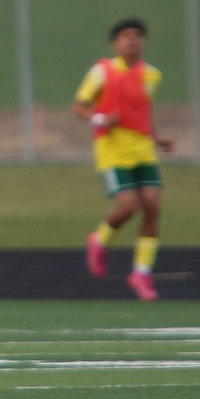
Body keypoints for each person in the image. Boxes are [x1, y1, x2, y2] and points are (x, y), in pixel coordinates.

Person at [72, 17, 174, 300]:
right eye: (126, 36)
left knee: (153, 206)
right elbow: (78, 107)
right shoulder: (102, 72)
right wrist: (101, 118)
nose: (133, 40)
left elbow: (142, 110)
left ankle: (141, 272)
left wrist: (157, 137)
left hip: (142, 148)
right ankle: (99, 239)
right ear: (116, 43)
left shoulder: (152, 75)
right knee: (128, 206)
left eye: (138, 36)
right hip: (113, 150)